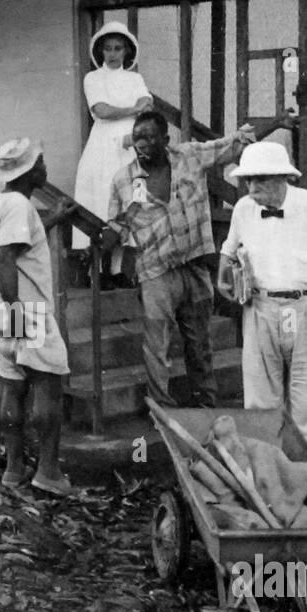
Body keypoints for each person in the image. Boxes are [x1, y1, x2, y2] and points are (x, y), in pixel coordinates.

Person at [216, 141, 307, 466]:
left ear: (284, 177)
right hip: (260, 310)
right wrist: (223, 269)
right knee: (259, 406)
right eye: (248, 180)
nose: (252, 187)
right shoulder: (244, 208)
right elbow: (230, 246)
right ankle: (268, 487)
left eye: (261, 180)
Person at [100, 110, 255, 409]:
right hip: (155, 271)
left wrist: (275, 123)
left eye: (149, 137)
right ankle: (162, 411)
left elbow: (234, 145)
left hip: (194, 265)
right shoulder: (125, 180)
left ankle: (206, 406)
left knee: (200, 342)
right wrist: (101, 238)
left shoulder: (189, 157)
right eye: (137, 139)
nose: (142, 144)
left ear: (165, 139)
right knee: (156, 345)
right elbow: (118, 226)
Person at [0, 138, 75, 496]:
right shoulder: (20, 205)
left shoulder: (3, 202)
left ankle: (14, 468)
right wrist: (17, 308)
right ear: (28, 171)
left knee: (13, 385)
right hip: (24, 309)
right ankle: (48, 472)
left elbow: (20, 245)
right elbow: (6, 258)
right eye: (41, 163)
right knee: (48, 386)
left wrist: (54, 218)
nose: (45, 168)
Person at [72, 21, 151, 282]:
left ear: (126, 51)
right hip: (104, 145)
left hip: (130, 143)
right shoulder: (93, 78)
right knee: (102, 199)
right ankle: (96, 270)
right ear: (101, 52)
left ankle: (117, 270)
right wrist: (132, 109)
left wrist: (131, 109)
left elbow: (147, 102)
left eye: (118, 48)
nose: (113, 54)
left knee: (128, 201)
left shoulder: (134, 78)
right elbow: (101, 110)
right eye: (108, 49)